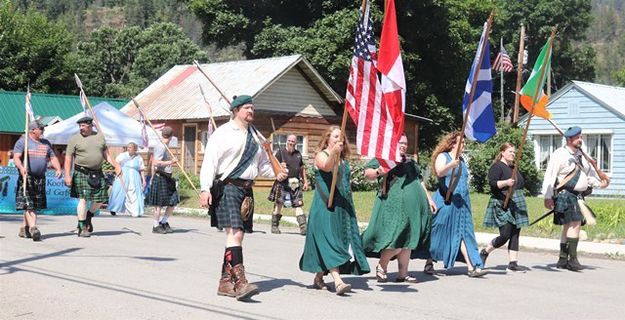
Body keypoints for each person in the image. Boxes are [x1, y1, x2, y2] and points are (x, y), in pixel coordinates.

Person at [200, 95, 287, 301]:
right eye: (247, 108)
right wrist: (205, 189)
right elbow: (210, 162)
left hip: (247, 190)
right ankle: (240, 282)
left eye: (252, 108)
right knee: (235, 234)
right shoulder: (222, 134)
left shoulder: (256, 137)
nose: (251, 111)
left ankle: (224, 282)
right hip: (228, 187)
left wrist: (276, 172)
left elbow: (260, 167)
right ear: (236, 110)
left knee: (237, 237)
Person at [299, 126, 370, 295]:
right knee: (330, 241)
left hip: (341, 206)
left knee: (337, 240)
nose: (340, 140)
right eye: (336, 136)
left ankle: (319, 277)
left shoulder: (343, 160)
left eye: (342, 137)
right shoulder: (321, 155)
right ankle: (338, 281)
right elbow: (326, 166)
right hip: (324, 206)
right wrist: (333, 153)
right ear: (328, 138)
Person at [361, 134, 436, 283]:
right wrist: (378, 172)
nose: (403, 145)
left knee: (409, 239)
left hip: (412, 208)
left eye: (405, 143)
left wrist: (429, 199)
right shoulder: (385, 159)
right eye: (400, 143)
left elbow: (419, 181)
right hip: (393, 206)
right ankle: (382, 266)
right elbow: (367, 173)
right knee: (396, 237)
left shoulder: (410, 162)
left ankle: (403, 273)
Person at [542, 126, 608, 271]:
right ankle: (573, 260)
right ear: (569, 139)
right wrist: (547, 196)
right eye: (578, 137)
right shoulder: (559, 154)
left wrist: (599, 183)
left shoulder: (582, 155)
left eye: (581, 137)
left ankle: (562, 259)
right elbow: (550, 175)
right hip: (566, 194)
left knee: (568, 226)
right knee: (575, 225)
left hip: (578, 196)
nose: (580, 140)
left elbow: (588, 176)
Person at [429, 131, 486, 277]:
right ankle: (429, 261)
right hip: (446, 201)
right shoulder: (443, 157)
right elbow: (439, 172)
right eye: (462, 142)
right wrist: (450, 165)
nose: (464, 145)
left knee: (463, 233)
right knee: (438, 232)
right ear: (453, 143)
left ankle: (472, 266)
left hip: (461, 204)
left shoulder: (462, 161)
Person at [64, 116, 120, 237]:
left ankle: (89, 214)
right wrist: (67, 175)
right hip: (81, 172)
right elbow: (68, 158)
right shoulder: (74, 139)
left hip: (97, 172)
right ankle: (81, 226)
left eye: (83, 126)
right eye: (80, 126)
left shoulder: (100, 137)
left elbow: (107, 155)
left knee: (101, 198)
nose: (81, 128)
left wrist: (116, 165)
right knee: (83, 199)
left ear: (90, 126)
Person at [480, 143, 530, 271]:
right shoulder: (497, 167)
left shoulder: (514, 167)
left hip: (515, 203)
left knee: (515, 233)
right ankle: (485, 252)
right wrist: (506, 183)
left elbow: (520, 183)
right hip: (502, 203)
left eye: (514, 152)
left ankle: (513, 263)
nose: (513, 154)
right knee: (505, 235)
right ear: (502, 152)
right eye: (510, 152)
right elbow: (492, 184)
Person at [13, 120, 62, 241]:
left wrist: (58, 168)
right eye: (41, 128)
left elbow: (53, 157)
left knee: (32, 204)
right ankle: (33, 228)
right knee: (30, 205)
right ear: (33, 130)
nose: (43, 130)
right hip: (27, 177)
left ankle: (24, 228)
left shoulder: (46, 143)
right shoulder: (23, 142)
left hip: (40, 177)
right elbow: (16, 157)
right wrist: (21, 167)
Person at [267, 134, 309, 235]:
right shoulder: (280, 152)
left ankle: (303, 228)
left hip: (295, 184)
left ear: (296, 143)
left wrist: (305, 181)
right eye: (289, 141)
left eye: (293, 141)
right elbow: (272, 164)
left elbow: (302, 169)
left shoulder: (298, 154)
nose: (291, 142)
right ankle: (274, 226)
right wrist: (280, 166)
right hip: (282, 183)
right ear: (287, 141)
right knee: (279, 204)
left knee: (298, 204)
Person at [146, 127, 179, 234]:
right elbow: (156, 163)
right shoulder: (160, 146)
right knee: (159, 204)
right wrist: (171, 161)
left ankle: (163, 222)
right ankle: (155, 226)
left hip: (167, 178)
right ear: (171, 136)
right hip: (161, 177)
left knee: (173, 200)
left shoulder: (165, 145)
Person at [108, 142, 146, 217]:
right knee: (119, 191)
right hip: (123, 175)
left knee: (134, 192)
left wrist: (143, 180)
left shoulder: (139, 158)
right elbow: (116, 164)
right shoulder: (122, 156)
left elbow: (141, 169)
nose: (128, 148)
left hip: (135, 177)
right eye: (128, 147)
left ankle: (135, 210)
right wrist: (118, 172)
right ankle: (114, 208)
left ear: (135, 149)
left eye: (130, 147)